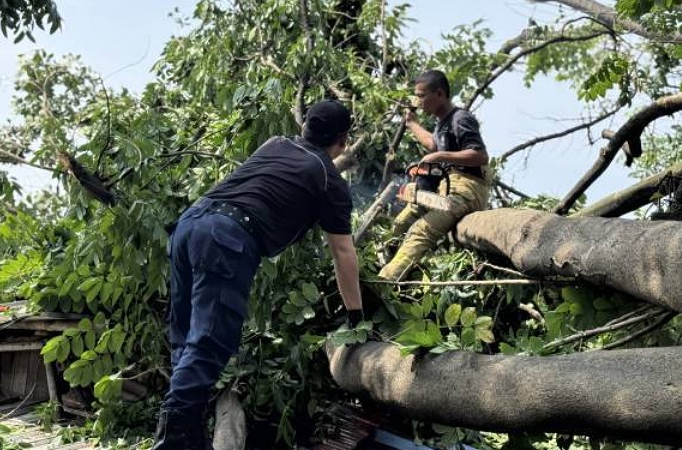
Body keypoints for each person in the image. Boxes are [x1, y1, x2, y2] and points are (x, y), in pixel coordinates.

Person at [152, 100, 364, 450]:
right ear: (343, 139)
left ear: (304, 126)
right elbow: (343, 251)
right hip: (227, 237)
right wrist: (355, 316)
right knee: (208, 344)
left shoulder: (276, 143)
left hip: (190, 223)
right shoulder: (330, 181)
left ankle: (189, 439)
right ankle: (171, 444)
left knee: (186, 341)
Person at [378, 70, 491, 281]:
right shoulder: (442, 123)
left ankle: (384, 281)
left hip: (466, 191)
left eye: (421, 96)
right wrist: (412, 123)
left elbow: (479, 155)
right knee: (402, 222)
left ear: (439, 94)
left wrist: (438, 156)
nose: (418, 101)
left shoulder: (460, 118)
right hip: (446, 189)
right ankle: (381, 259)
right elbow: (433, 143)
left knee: (421, 230)